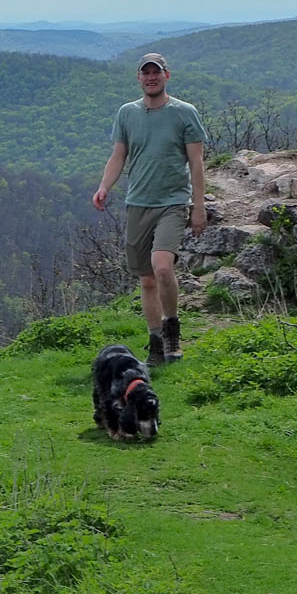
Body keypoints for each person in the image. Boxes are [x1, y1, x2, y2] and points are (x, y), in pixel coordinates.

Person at [92, 52, 207, 365]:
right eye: (146, 73)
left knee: (162, 267)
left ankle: (172, 331)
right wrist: (105, 186)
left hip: (172, 202)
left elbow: (196, 162)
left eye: (156, 72)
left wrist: (198, 206)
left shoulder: (185, 113)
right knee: (146, 279)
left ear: (166, 76)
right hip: (138, 203)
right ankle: (155, 342)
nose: (151, 77)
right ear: (139, 78)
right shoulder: (127, 114)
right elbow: (119, 155)